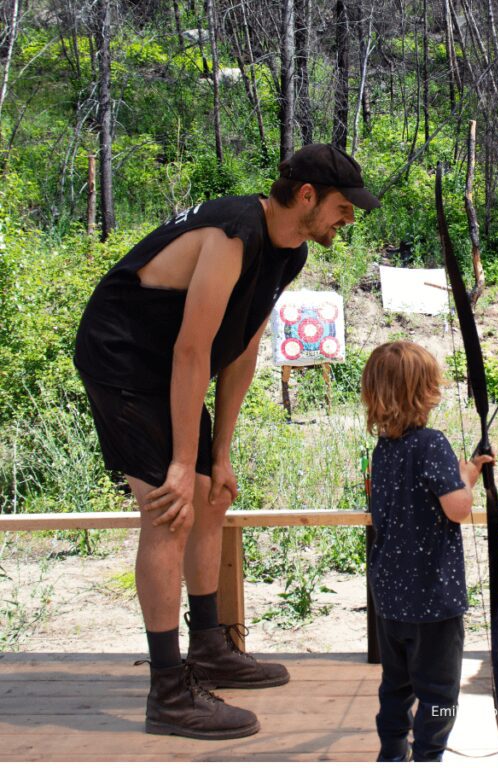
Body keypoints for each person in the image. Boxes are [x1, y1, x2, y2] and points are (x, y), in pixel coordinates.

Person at [73, 144, 381, 739]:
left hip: (167, 366)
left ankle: (210, 646)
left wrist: (217, 455)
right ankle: (168, 691)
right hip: (123, 359)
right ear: (308, 196)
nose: (350, 219)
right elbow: (192, 349)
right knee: (171, 509)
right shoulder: (235, 232)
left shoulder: (288, 253)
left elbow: (238, 349)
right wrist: (181, 465)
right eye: (345, 207)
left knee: (212, 494)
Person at [360, 340, 491, 762]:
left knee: (396, 685)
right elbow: (456, 508)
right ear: (426, 392)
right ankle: (429, 755)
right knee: (438, 690)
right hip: (433, 598)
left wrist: (465, 470)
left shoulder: (384, 450)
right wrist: (467, 481)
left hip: (391, 597)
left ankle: (393, 753)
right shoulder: (431, 443)